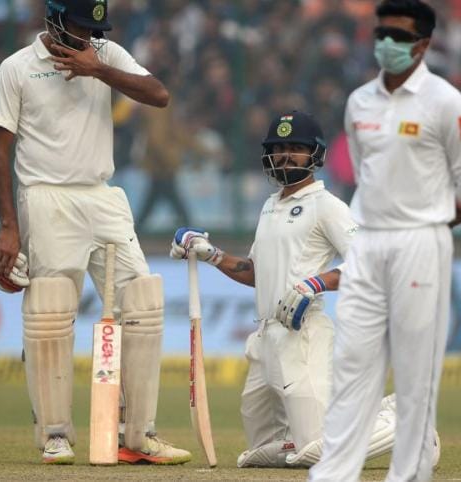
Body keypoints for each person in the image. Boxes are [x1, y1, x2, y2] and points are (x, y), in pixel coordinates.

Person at [0, 0, 190, 465]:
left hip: (101, 193)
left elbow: (159, 95)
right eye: (78, 27)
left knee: (142, 300)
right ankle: (55, 434)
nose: (86, 37)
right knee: (51, 310)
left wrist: (99, 70)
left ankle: (137, 435)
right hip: (45, 194)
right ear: (54, 20)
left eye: (94, 30)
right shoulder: (16, 68)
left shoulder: (105, 54)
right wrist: (9, 226)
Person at [309, 0, 461, 480]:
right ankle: (333, 473)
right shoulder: (359, 102)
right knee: (352, 365)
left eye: (400, 35)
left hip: (421, 242)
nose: (387, 42)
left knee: (414, 373)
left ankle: (409, 473)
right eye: (382, 32)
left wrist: (429, 224)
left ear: (424, 43)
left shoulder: (446, 102)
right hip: (366, 244)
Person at [171, 111, 400, 469]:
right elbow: (255, 273)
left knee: (319, 450)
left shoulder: (327, 206)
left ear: (316, 155)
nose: (286, 155)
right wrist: (210, 254)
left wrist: (317, 282)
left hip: (302, 332)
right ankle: (315, 439)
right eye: (278, 149)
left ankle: (403, 420)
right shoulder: (270, 206)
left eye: (297, 148)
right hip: (264, 338)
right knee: (260, 453)